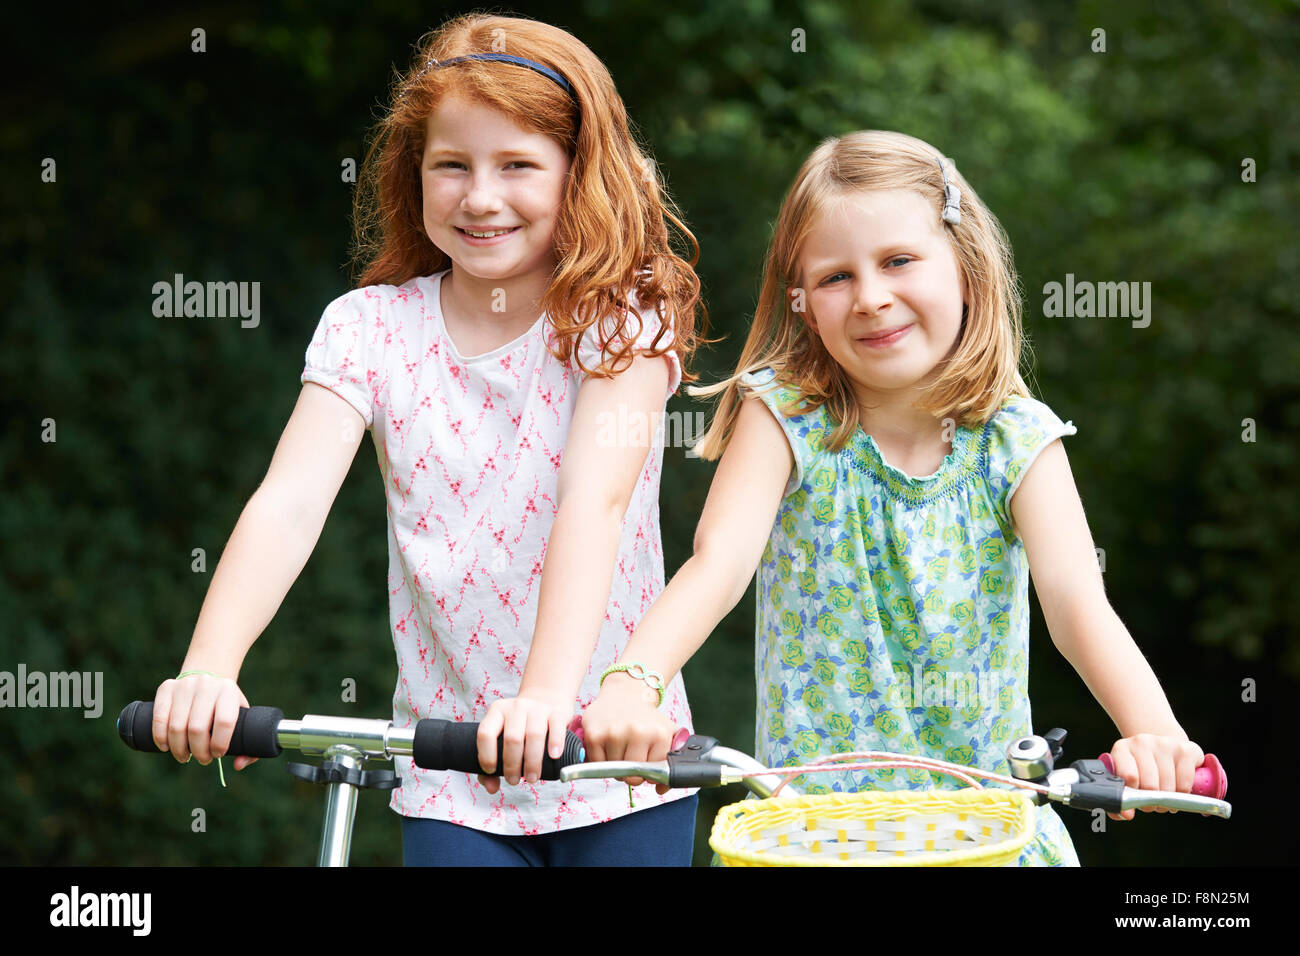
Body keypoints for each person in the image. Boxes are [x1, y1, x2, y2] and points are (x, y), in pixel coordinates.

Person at [148, 13, 705, 866]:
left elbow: (595, 501)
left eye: (518, 165)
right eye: (452, 165)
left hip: (613, 761)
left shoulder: (617, 320)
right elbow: (290, 502)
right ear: (416, 175)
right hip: (451, 771)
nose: (480, 196)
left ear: (579, 174)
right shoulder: (369, 331)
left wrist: (548, 699)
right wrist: (209, 666)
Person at [580, 130, 1208, 865]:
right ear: (804, 303)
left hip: (987, 838)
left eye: (899, 261)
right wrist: (633, 682)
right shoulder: (784, 417)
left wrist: (1155, 733)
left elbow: (1076, 605)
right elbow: (717, 567)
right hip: (808, 839)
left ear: (966, 269)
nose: (872, 297)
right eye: (836, 277)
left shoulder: (1017, 438)